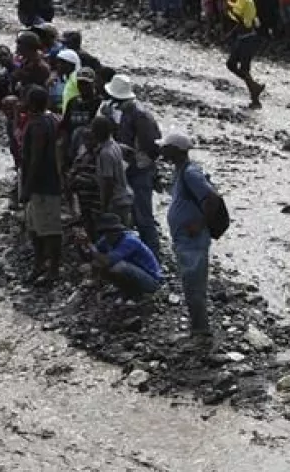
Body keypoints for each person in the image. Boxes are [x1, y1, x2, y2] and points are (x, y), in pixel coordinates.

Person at [161, 131, 223, 341]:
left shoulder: (190, 173)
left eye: (166, 148)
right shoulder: (181, 172)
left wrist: (199, 224)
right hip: (186, 239)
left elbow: (212, 198)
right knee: (190, 284)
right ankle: (198, 328)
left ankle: (201, 331)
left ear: (176, 152)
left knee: (194, 285)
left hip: (193, 239)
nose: (163, 151)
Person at [103, 74, 162, 257]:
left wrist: (134, 155)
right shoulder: (121, 111)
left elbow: (153, 147)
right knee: (132, 214)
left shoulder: (141, 116)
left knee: (143, 216)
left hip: (140, 170)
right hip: (128, 167)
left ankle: (153, 255)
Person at [20, 85, 63, 283]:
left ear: (32, 103)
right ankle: (40, 265)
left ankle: (52, 269)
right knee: (35, 226)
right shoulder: (52, 119)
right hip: (46, 181)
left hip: (42, 183)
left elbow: (36, 158)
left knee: (48, 228)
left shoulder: (38, 124)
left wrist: (27, 187)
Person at [77, 213, 164, 300]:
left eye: (113, 231)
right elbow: (93, 256)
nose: (109, 235)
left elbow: (107, 261)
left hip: (151, 280)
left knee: (117, 266)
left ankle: (138, 293)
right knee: (97, 263)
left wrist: (90, 245)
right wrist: (83, 244)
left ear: (119, 231)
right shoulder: (106, 239)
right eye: (106, 232)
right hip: (137, 274)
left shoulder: (129, 240)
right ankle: (127, 291)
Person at [91, 115, 133, 226]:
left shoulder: (106, 153)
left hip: (115, 201)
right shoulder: (114, 145)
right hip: (124, 197)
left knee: (114, 234)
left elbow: (108, 181)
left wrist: (104, 206)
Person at [225, 0, 266, 108]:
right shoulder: (240, 2)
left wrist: (232, 11)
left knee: (244, 68)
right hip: (241, 38)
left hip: (249, 39)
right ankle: (254, 87)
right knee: (231, 64)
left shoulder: (248, 3)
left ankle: (255, 97)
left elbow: (246, 23)